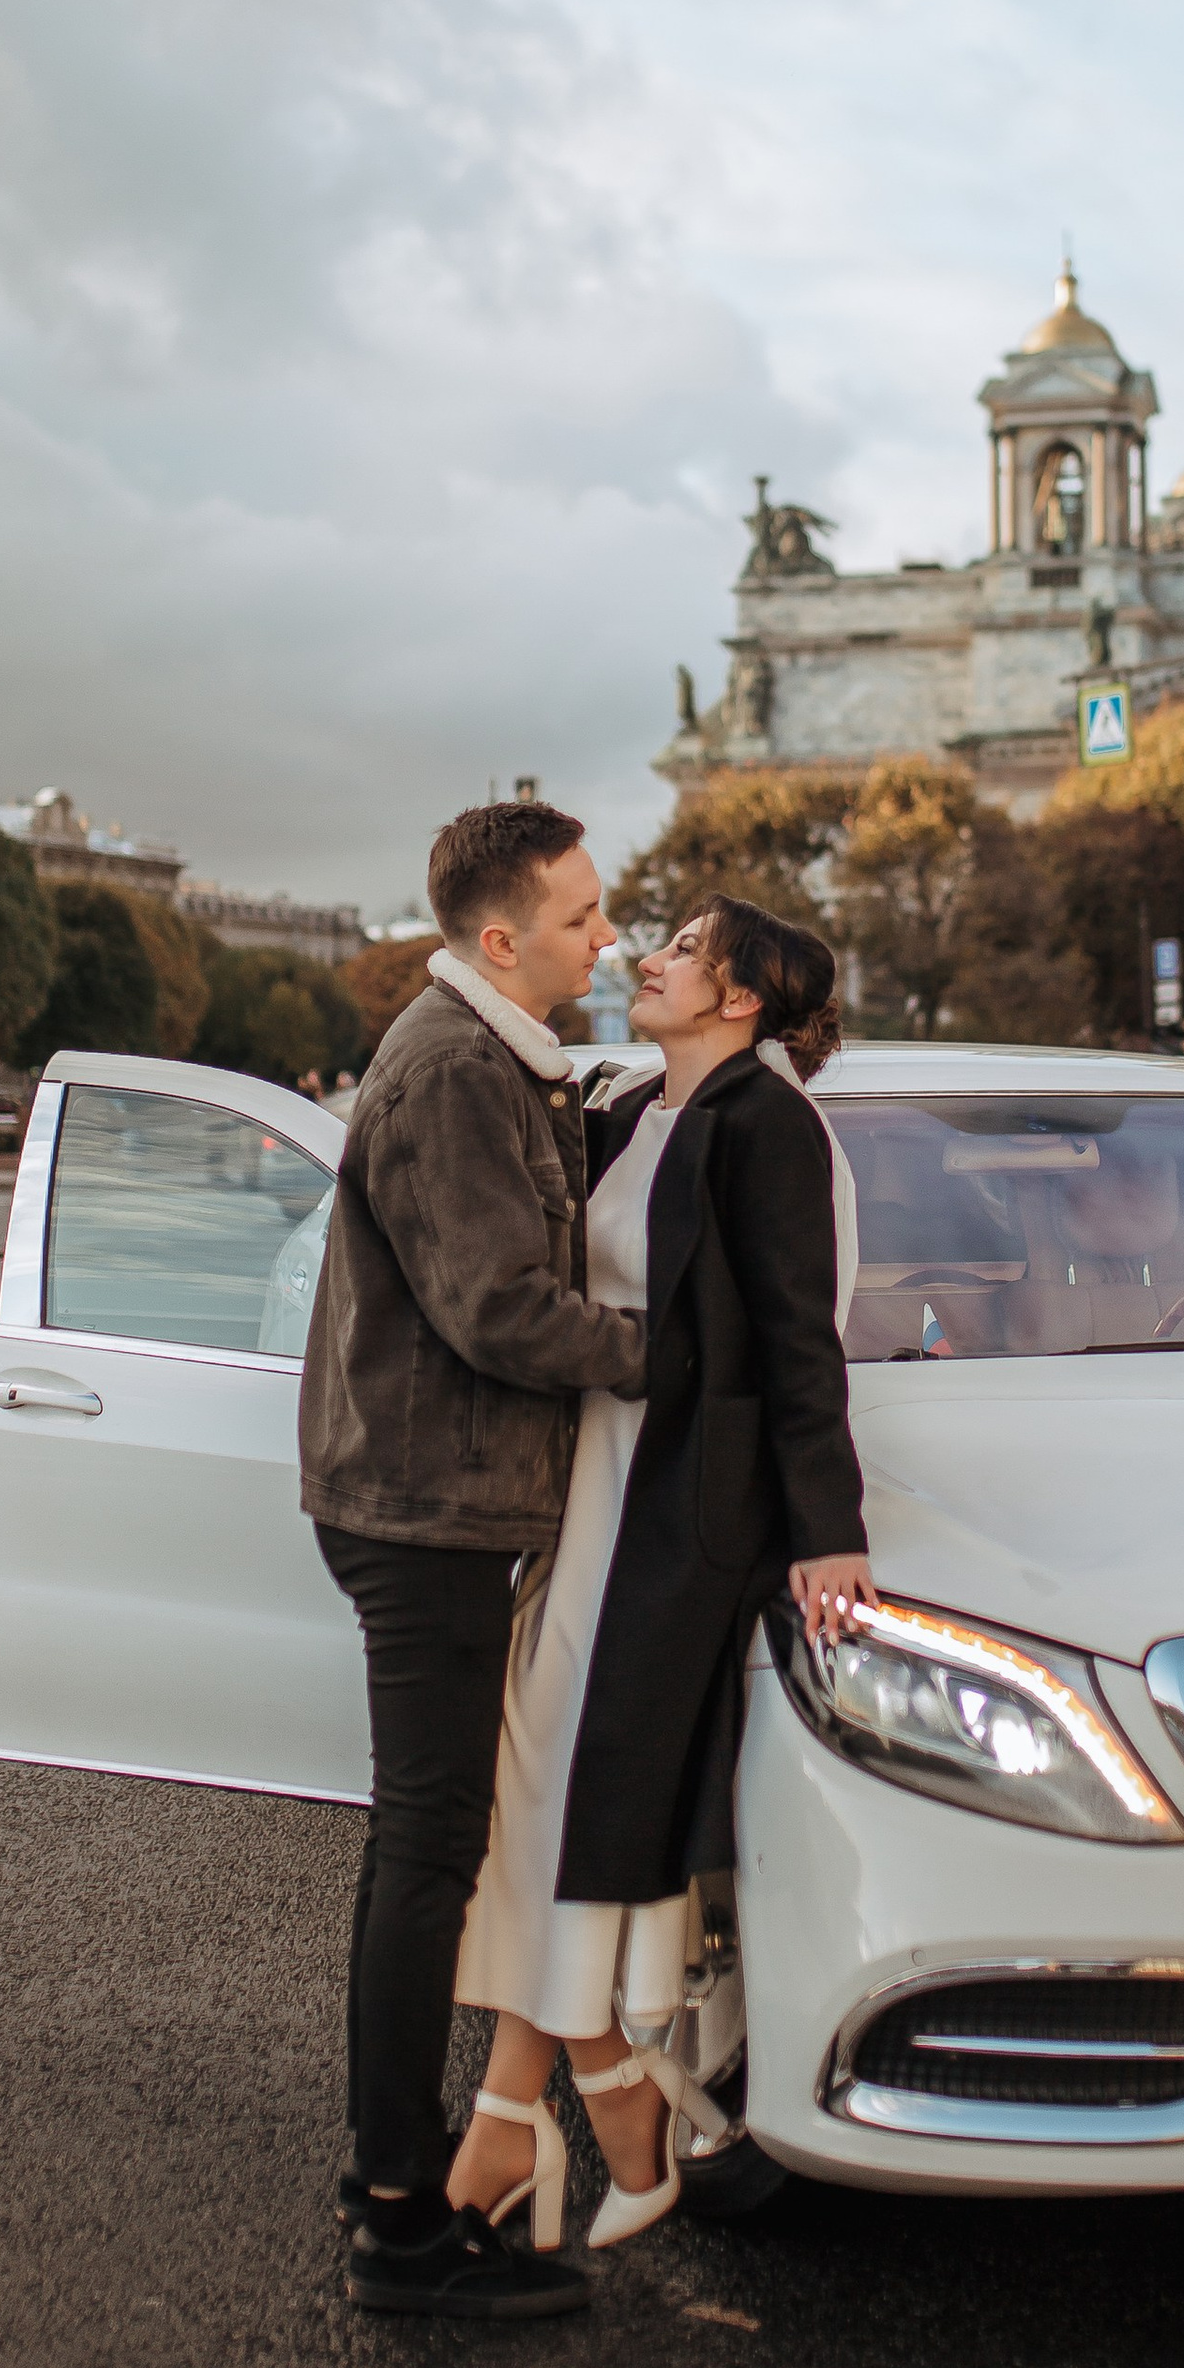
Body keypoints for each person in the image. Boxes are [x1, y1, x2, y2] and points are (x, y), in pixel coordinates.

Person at [446, 896, 875, 2248]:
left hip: (677, 1504)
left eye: (683, 950)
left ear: (741, 997)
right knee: (542, 1776)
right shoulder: (634, 1105)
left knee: (580, 1784)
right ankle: (569, 2104)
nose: (651, 957)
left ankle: (546, 2115)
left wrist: (828, 1528)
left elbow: (803, 1342)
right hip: (587, 1479)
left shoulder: (773, 1126)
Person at [299, 801, 648, 2321]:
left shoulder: (494, 1052)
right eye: (582, 916)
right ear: (502, 939)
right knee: (425, 1849)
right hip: (420, 1509)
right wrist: (677, 1355)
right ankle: (397, 2219)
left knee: (427, 1842)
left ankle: (397, 2175)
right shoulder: (448, 1069)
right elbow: (500, 1304)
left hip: (428, 1496)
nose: (608, 936)